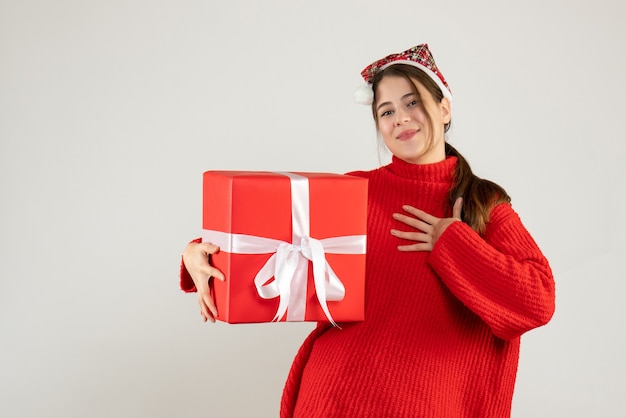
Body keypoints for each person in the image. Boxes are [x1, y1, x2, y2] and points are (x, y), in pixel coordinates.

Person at [179, 43, 556, 417]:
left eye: (412, 103)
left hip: (434, 404)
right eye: (386, 111)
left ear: (444, 108)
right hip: (336, 398)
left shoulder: (484, 204)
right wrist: (197, 253)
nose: (400, 119)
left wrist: (452, 242)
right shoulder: (350, 192)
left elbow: (537, 303)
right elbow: (269, 241)